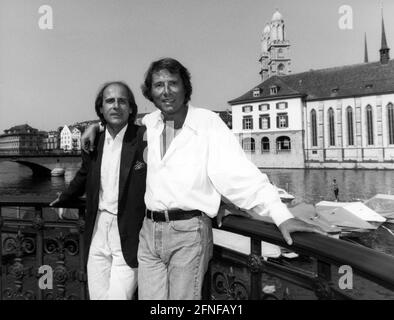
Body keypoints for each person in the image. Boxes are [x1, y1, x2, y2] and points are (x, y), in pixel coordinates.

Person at [81, 58, 327, 300]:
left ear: (185, 87)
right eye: (158, 85)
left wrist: (281, 215)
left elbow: (243, 175)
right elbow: (119, 125)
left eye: (172, 83)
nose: (166, 91)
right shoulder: (151, 123)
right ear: (150, 93)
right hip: (148, 233)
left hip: (188, 233)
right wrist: (97, 127)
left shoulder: (208, 124)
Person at [50, 81, 147, 299]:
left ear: (131, 108)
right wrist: (63, 198)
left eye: (122, 101)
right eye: (109, 101)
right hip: (98, 230)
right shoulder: (95, 142)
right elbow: (84, 175)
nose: (116, 106)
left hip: (129, 232)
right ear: (101, 108)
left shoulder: (143, 138)